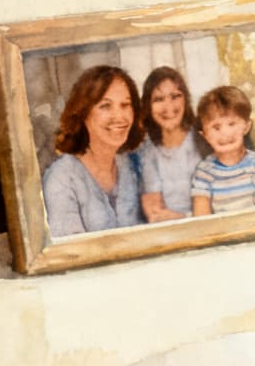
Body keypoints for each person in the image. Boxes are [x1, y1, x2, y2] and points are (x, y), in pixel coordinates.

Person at [40, 66, 144, 238]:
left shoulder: (133, 165)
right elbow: (70, 256)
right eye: (105, 106)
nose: (119, 116)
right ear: (83, 112)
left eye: (125, 105)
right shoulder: (61, 179)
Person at [190, 86, 255, 216]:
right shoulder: (204, 171)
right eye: (216, 127)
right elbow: (201, 218)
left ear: (246, 127)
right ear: (204, 135)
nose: (225, 133)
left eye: (232, 124)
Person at [135, 66, 203, 223]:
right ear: (148, 106)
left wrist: (184, 218)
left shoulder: (204, 138)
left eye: (175, 96)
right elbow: (155, 213)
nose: (168, 107)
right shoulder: (146, 149)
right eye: (158, 99)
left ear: (185, 99)